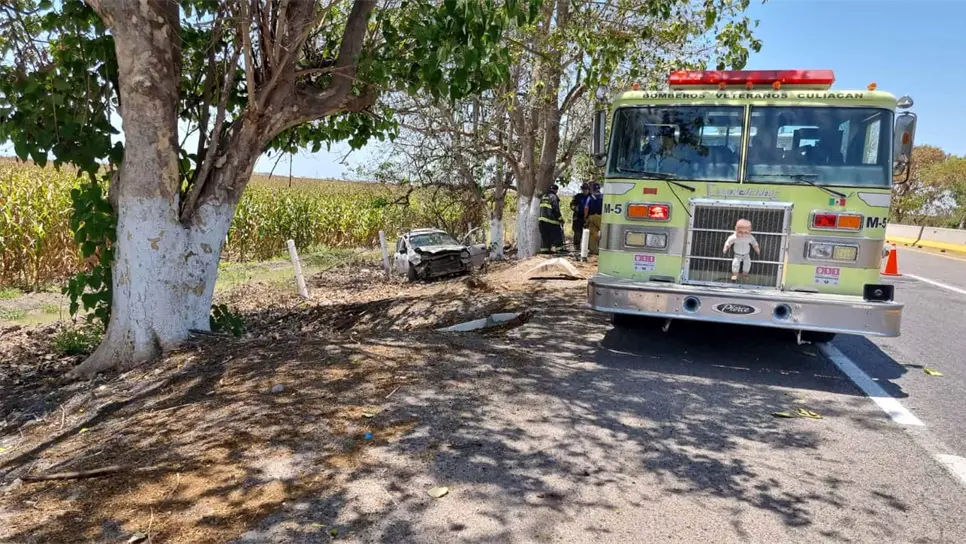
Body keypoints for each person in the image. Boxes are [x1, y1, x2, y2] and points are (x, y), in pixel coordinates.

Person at [538, 184, 564, 254]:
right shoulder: (554, 197)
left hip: (542, 221)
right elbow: (556, 210)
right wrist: (561, 220)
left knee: (545, 238)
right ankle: (560, 250)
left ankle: (545, 251)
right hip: (551, 222)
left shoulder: (543, 196)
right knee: (557, 235)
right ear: (556, 190)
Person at [570, 182, 591, 253]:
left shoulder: (591, 197)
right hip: (578, 217)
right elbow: (571, 205)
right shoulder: (577, 196)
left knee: (588, 233)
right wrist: (575, 208)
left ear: (589, 189)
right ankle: (577, 248)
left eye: (586, 189)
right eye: (583, 189)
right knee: (577, 233)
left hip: (588, 218)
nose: (585, 190)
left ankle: (587, 249)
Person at [584, 183, 603, 255]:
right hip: (601, 217)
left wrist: (585, 217)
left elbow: (586, 208)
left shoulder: (590, 197)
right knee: (604, 233)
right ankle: (603, 248)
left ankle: (593, 249)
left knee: (593, 233)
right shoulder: (603, 197)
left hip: (592, 217)